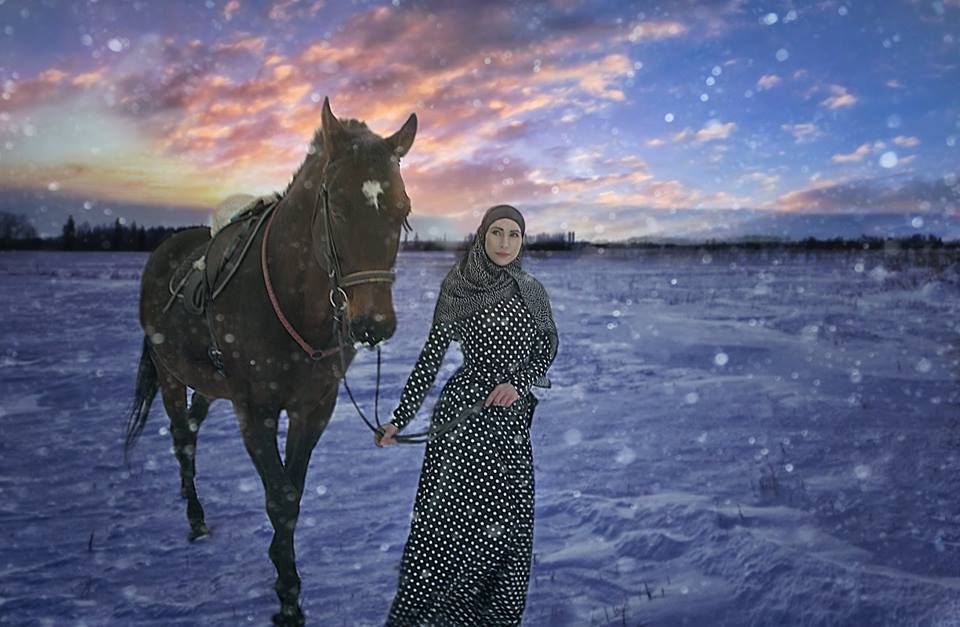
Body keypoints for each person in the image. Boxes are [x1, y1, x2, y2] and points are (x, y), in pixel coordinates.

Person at [375, 204, 559, 626]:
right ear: (482, 234)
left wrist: (520, 382)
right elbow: (430, 359)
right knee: (454, 523)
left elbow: (547, 344)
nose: (505, 243)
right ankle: (444, 613)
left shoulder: (530, 289)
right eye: (497, 232)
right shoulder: (459, 286)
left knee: (507, 524)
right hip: (464, 417)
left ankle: (490, 615)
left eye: (514, 235)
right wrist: (399, 419)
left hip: (510, 419)